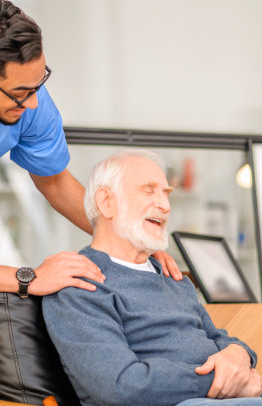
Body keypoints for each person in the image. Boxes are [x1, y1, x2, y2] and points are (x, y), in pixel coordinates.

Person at [0, 2, 182, 405]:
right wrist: (27, 278)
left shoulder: (23, 93)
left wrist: (131, 243)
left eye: (39, 85)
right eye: (22, 93)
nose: (34, 104)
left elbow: (56, 181)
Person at [43, 149, 262, 406]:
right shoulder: (80, 283)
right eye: (149, 190)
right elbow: (121, 386)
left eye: (166, 194)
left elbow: (217, 337)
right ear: (106, 202)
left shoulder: (174, 279)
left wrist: (240, 355)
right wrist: (222, 381)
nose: (166, 206)